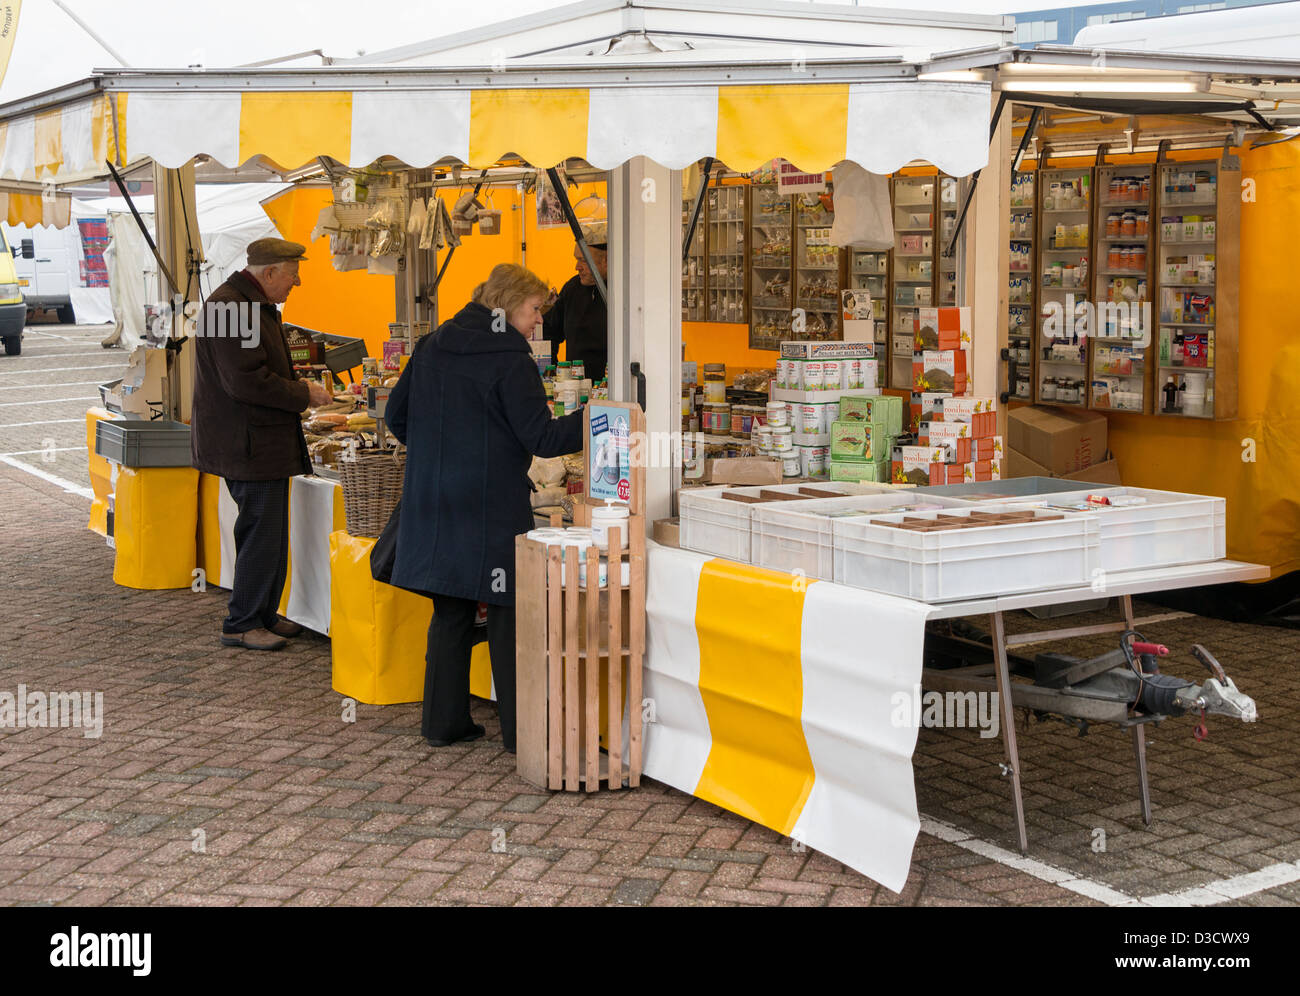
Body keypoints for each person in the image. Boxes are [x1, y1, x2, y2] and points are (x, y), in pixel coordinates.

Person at [387, 263, 583, 752]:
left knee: (450, 608)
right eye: (535, 309)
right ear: (509, 303)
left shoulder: (434, 343)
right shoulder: (509, 359)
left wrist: (439, 454)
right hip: (490, 503)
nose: (539, 320)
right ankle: (521, 735)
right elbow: (542, 436)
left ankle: (442, 723)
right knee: (506, 611)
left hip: (435, 499)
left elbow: (396, 415)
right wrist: (597, 417)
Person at [190, 238, 332, 652]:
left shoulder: (246, 303)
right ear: (269, 273)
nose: (298, 282)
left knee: (268, 532)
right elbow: (245, 380)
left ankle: (263, 612)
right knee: (259, 533)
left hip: (256, 441)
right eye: (293, 274)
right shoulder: (232, 307)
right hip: (248, 443)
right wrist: (302, 393)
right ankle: (242, 622)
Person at [542, 223, 608, 382]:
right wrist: (553, 371)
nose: (576, 267)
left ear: (606, 260)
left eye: (583, 260)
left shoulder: (625, 293)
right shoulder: (572, 288)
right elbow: (548, 329)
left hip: (612, 390)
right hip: (574, 390)